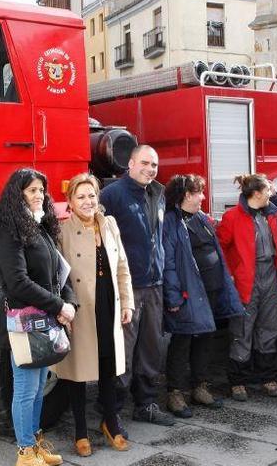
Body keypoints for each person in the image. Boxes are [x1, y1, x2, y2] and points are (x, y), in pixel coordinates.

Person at [0, 168, 77, 466]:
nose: (39, 196)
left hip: (45, 320)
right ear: (18, 194)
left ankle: (36, 446)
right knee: (25, 390)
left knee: (38, 388)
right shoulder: (8, 231)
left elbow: (57, 272)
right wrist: (58, 306)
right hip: (25, 322)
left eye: (41, 190)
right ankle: (25, 453)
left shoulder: (37, 227)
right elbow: (18, 283)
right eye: (32, 191)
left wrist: (68, 302)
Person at [54, 173, 133, 455]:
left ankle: (110, 422)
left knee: (109, 366)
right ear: (70, 202)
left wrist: (127, 303)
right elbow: (58, 277)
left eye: (91, 195)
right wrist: (64, 309)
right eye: (81, 197)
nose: (88, 201)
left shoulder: (109, 224)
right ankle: (80, 431)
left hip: (108, 303)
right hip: (80, 306)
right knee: (78, 370)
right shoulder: (62, 231)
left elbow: (122, 266)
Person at [99, 145, 175, 426]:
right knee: (123, 353)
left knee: (151, 350)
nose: (150, 169)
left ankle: (146, 405)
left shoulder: (158, 192)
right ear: (130, 163)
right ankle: (112, 412)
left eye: (154, 164)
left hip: (154, 285)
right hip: (127, 288)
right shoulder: (112, 195)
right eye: (145, 163)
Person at [162, 174, 244, 417]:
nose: (203, 197)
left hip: (210, 291)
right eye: (199, 192)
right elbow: (168, 263)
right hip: (188, 294)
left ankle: (200, 387)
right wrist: (174, 296)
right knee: (182, 340)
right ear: (187, 195)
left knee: (205, 339)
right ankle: (175, 393)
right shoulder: (171, 222)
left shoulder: (201, 219)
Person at [218, 173, 277, 402]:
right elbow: (221, 248)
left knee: (269, 327)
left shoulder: (272, 215)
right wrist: (230, 275)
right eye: (268, 190)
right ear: (257, 194)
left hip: (269, 274)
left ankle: (268, 377)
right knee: (242, 330)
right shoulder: (232, 217)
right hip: (245, 279)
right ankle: (238, 382)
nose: (272, 193)